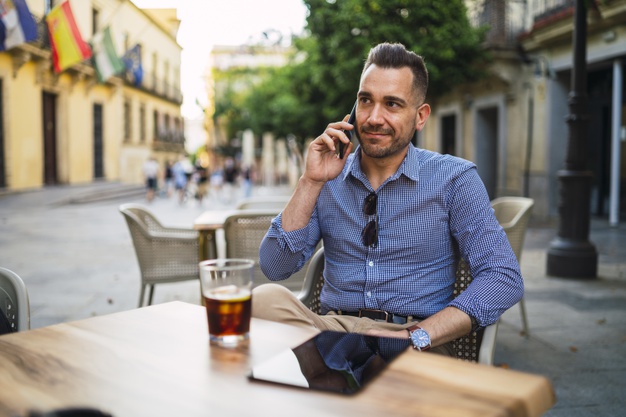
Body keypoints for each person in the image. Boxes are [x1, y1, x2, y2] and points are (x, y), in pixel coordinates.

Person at [253, 43, 523, 357]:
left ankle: (335, 384)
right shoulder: (327, 178)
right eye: (365, 101)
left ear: (420, 117)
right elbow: (275, 266)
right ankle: (334, 377)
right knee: (264, 300)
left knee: (384, 374)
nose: (374, 118)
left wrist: (418, 336)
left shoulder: (454, 179)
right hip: (333, 331)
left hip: (410, 340)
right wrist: (310, 181)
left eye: (392, 104)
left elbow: (502, 275)